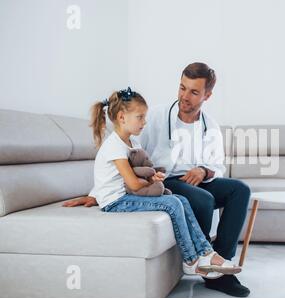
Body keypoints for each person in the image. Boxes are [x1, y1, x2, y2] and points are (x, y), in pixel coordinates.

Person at [64, 63, 251, 297]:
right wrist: (96, 193)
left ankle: (220, 268)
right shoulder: (157, 116)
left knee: (240, 190)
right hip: (167, 179)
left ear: (207, 95)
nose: (185, 96)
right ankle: (204, 264)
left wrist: (203, 170)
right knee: (203, 199)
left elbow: (218, 166)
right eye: (182, 88)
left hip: (200, 178)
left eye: (194, 92)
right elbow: (127, 156)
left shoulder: (210, 126)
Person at [85, 86, 241, 280]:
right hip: (115, 201)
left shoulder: (133, 143)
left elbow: (139, 172)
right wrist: (96, 194)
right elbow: (133, 184)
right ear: (122, 118)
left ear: (206, 95)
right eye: (140, 117)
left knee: (181, 200)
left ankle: (207, 253)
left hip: (126, 196)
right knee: (175, 202)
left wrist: (153, 178)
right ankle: (190, 260)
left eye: (144, 117)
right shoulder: (115, 145)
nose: (145, 122)